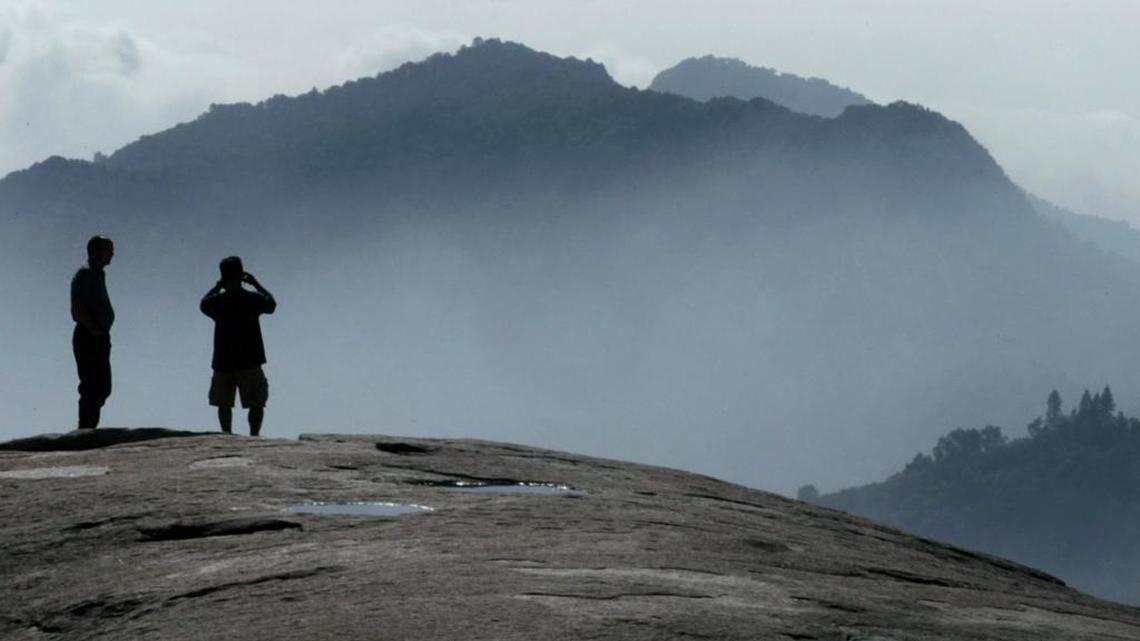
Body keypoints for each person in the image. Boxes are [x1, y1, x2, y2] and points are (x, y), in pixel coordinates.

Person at [200, 257, 276, 436]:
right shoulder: (251, 299)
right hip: (250, 359)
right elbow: (271, 304)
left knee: (223, 403)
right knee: (256, 403)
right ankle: (254, 436)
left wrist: (217, 286)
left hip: (224, 360)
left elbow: (203, 304)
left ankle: (227, 435)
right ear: (241, 275)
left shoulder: (218, 301)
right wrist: (256, 283)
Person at [71, 235, 115, 429]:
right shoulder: (86, 274)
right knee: (91, 385)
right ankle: (86, 429)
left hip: (98, 336)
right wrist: (94, 329)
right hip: (89, 336)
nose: (112, 254)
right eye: (108, 250)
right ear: (95, 251)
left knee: (102, 386)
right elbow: (78, 309)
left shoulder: (98, 273)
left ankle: (89, 427)